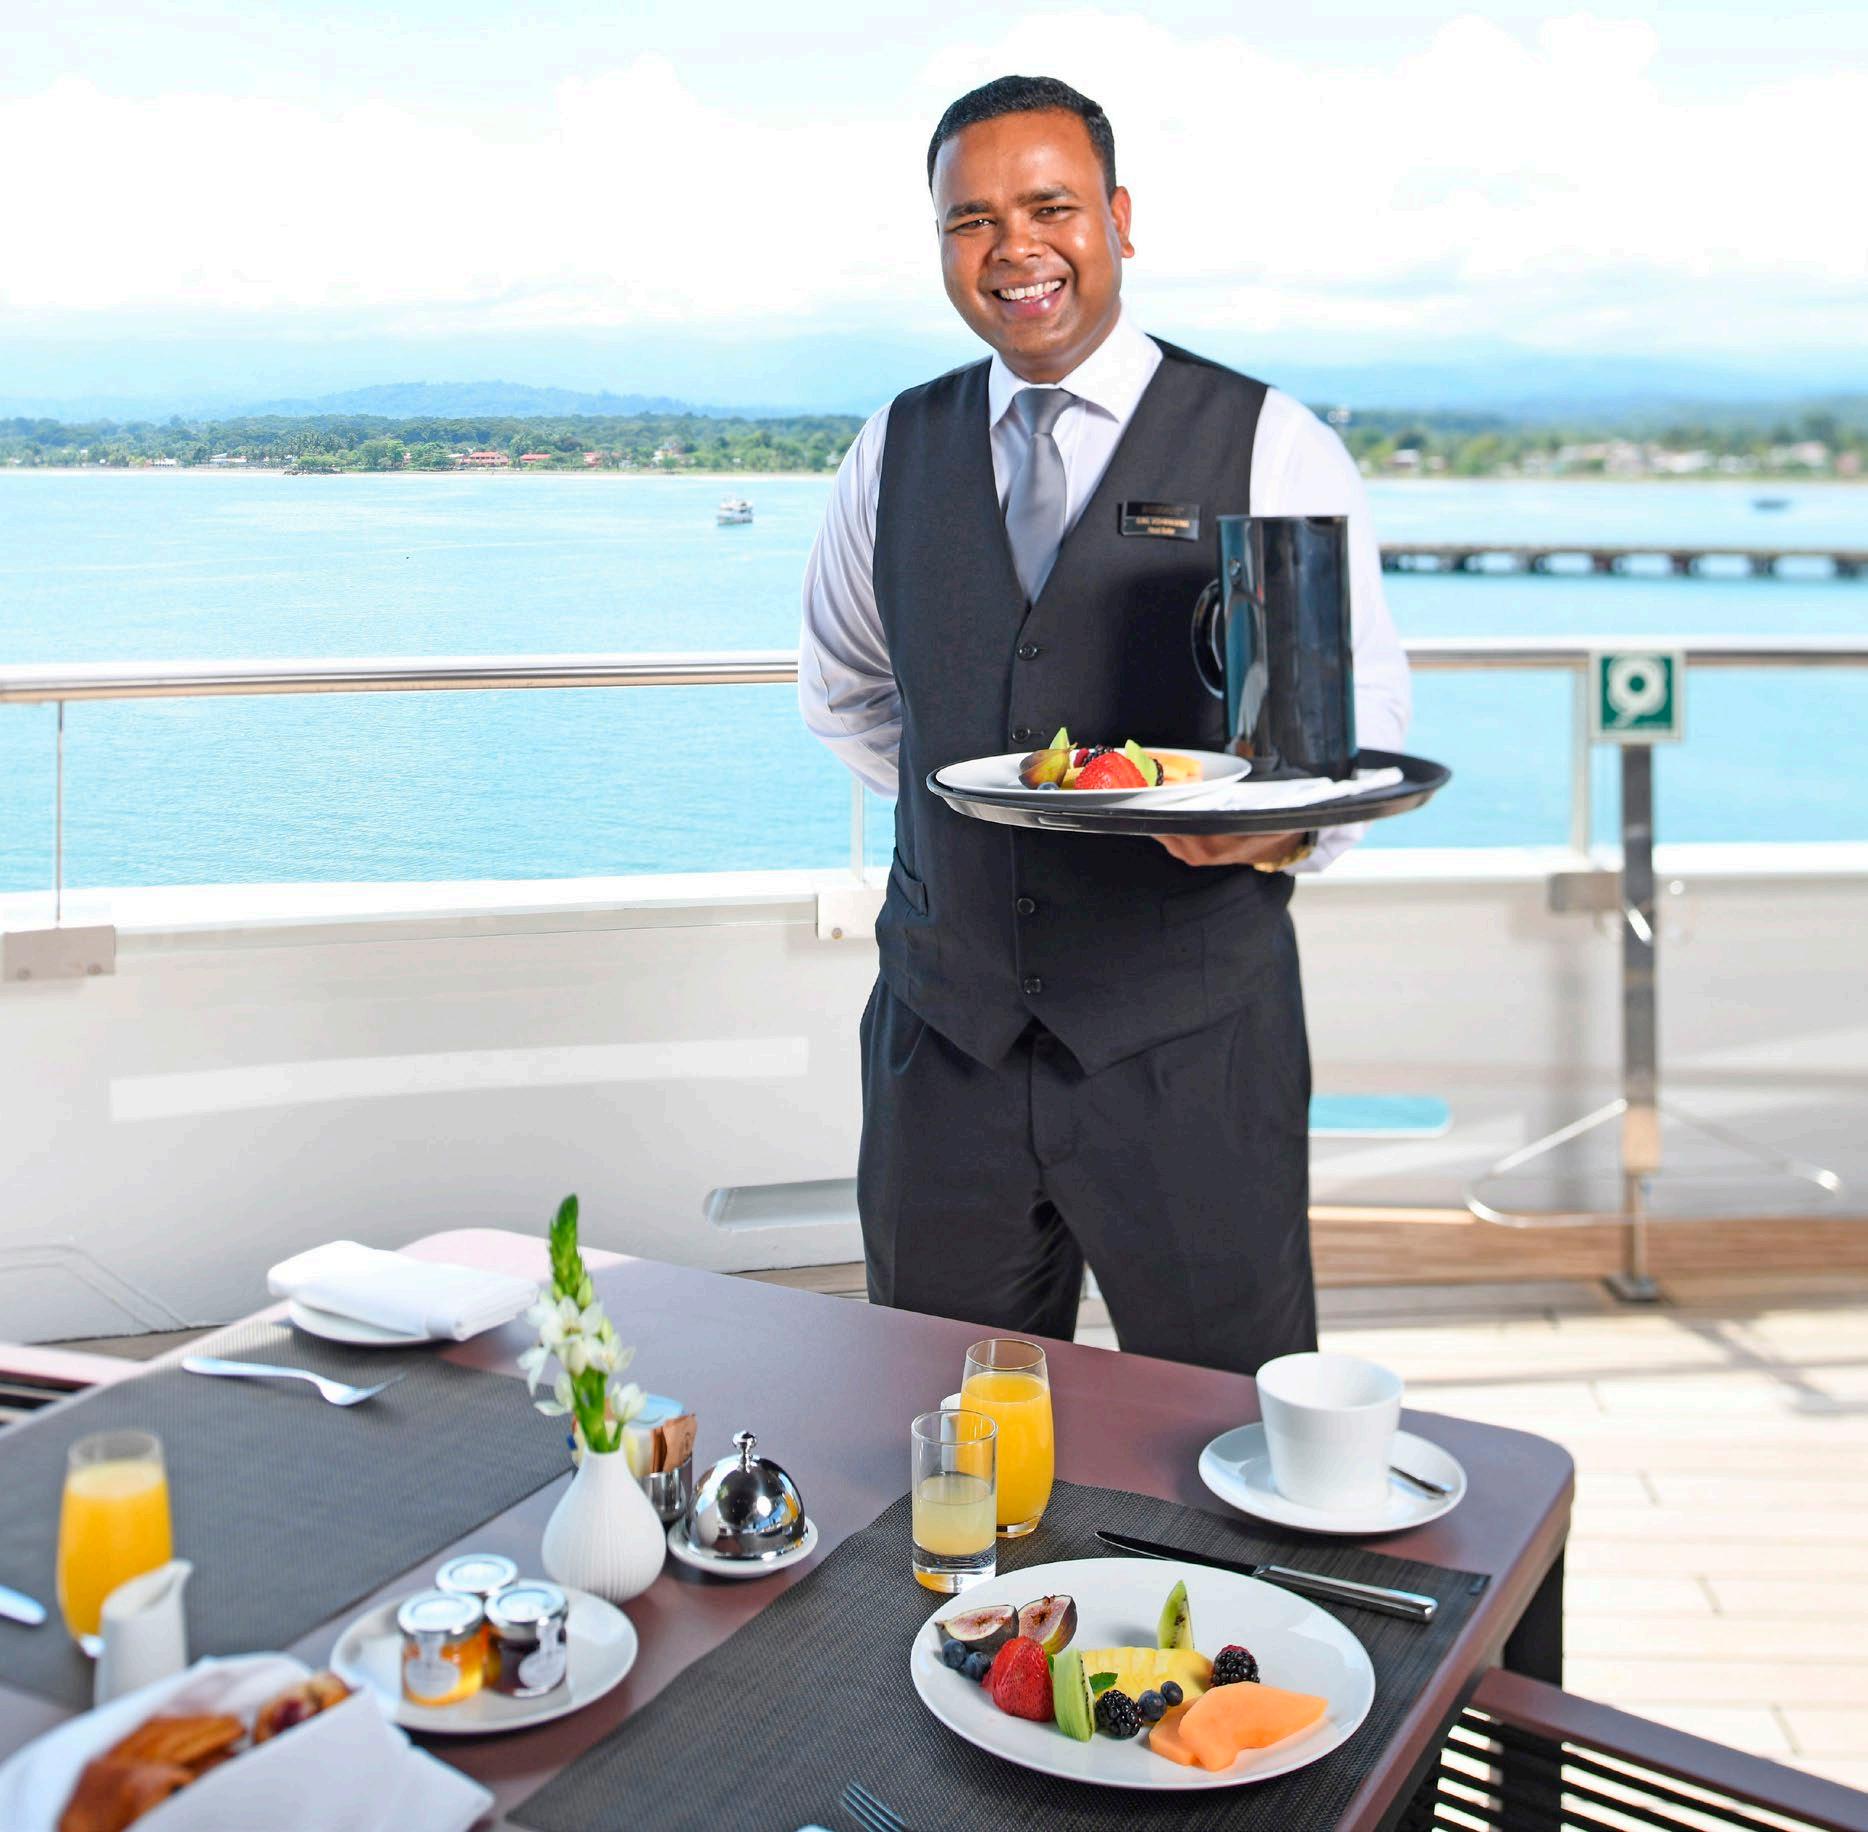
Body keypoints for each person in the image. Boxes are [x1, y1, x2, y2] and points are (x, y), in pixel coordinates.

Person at [798, 74, 1410, 1375]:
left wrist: (1267, 836)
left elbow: (1347, 734)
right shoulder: (892, 448)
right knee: (947, 1422)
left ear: (1120, 219)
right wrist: (983, 816)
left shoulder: (1268, 440)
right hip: (946, 1044)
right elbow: (848, 688)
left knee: (1226, 1427)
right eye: (971, 220)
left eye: (1050, 207)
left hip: (1189, 1048)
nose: (1013, 249)